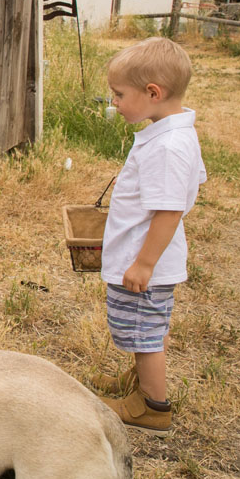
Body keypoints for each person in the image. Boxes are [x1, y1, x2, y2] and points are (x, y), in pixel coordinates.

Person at [91, 36, 206, 436]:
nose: (114, 103)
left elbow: (170, 208)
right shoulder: (171, 134)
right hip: (151, 259)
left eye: (119, 95)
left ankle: (152, 407)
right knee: (149, 327)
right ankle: (141, 383)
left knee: (144, 333)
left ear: (152, 92)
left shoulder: (168, 147)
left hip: (147, 263)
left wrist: (143, 263)